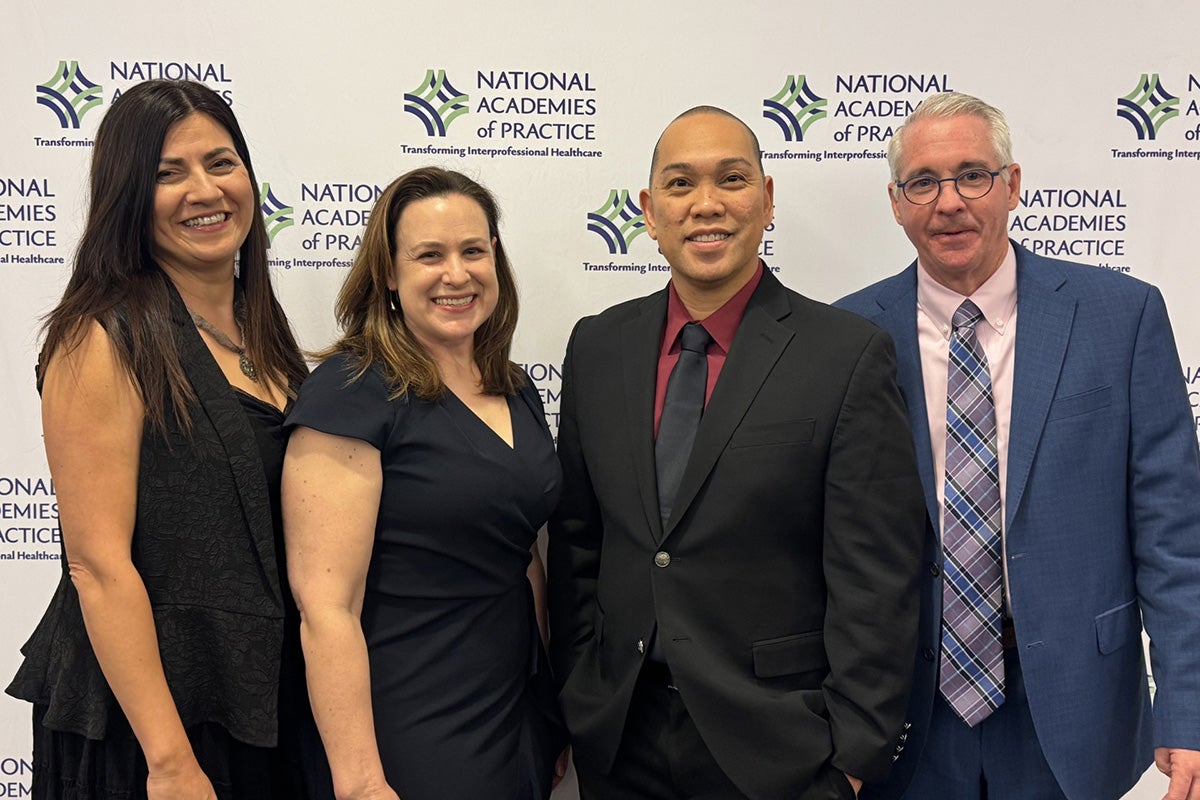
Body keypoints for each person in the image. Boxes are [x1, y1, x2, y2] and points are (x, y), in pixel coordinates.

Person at [547, 106, 927, 800]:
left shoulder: (844, 355)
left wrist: (854, 754)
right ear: (649, 211)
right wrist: (581, 695)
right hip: (619, 739)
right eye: (681, 184)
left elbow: (877, 575)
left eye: (731, 178)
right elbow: (578, 543)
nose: (707, 205)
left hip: (782, 751)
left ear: (768, 199)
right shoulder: (596, 347)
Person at [835, 91, 1200, 800]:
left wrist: (1188, 707)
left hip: (1073, 707)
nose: (949, 202)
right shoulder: (847, 336)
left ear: (1012, 184)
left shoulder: (1121, 318)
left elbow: (1176, 539)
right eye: (923, 183)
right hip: (905, 716)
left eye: (973, 174)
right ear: (895, 201)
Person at [6, 80, 332, 799]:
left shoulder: (267, 340)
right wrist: (170, 760)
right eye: (167, 173)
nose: (204, 190)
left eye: (221, 163)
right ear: (127, 195)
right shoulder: (101, 337)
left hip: (260, 705)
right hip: (150, 731)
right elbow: (98, 566)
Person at [282, 166, 567, 800]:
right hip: (409, 717)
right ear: (388, 272)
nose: (457, 274)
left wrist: (545, 703)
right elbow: (326, 609)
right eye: (429, 255)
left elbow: (520, 552)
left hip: (515, 704)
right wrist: (359, 782)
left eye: (474, 250)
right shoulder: (352, 391)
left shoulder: (516, 388)